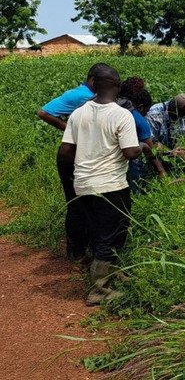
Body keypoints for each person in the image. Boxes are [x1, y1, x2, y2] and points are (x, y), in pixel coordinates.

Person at [57, 65, 144, 305]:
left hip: (83, 184)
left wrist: (86, 164)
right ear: (118, 86)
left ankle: (107, 275)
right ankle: (99, 290)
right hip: (111, 186)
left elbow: (65, 152)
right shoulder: (121, 115)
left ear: (93, 84)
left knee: (97, 232)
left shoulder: (78, 113)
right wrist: (142, 147)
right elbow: (129, 153)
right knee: (113, 234)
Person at [37, 63, 110, 260]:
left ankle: (80, 248)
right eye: (104, 83)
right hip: (73, 155)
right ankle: (76, 252)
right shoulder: (79, 96)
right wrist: (69, 129)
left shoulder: (91, 96)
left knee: (84, 203)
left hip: (84, 155)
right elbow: (43, 112)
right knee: (77, 204)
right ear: (93, 81)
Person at [118, 77, 167, 190]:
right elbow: (150, 149)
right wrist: (161, 169)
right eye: (146, 111)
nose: (146, 114)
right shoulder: (139, 119)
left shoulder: (111, 103)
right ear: (141, 107)